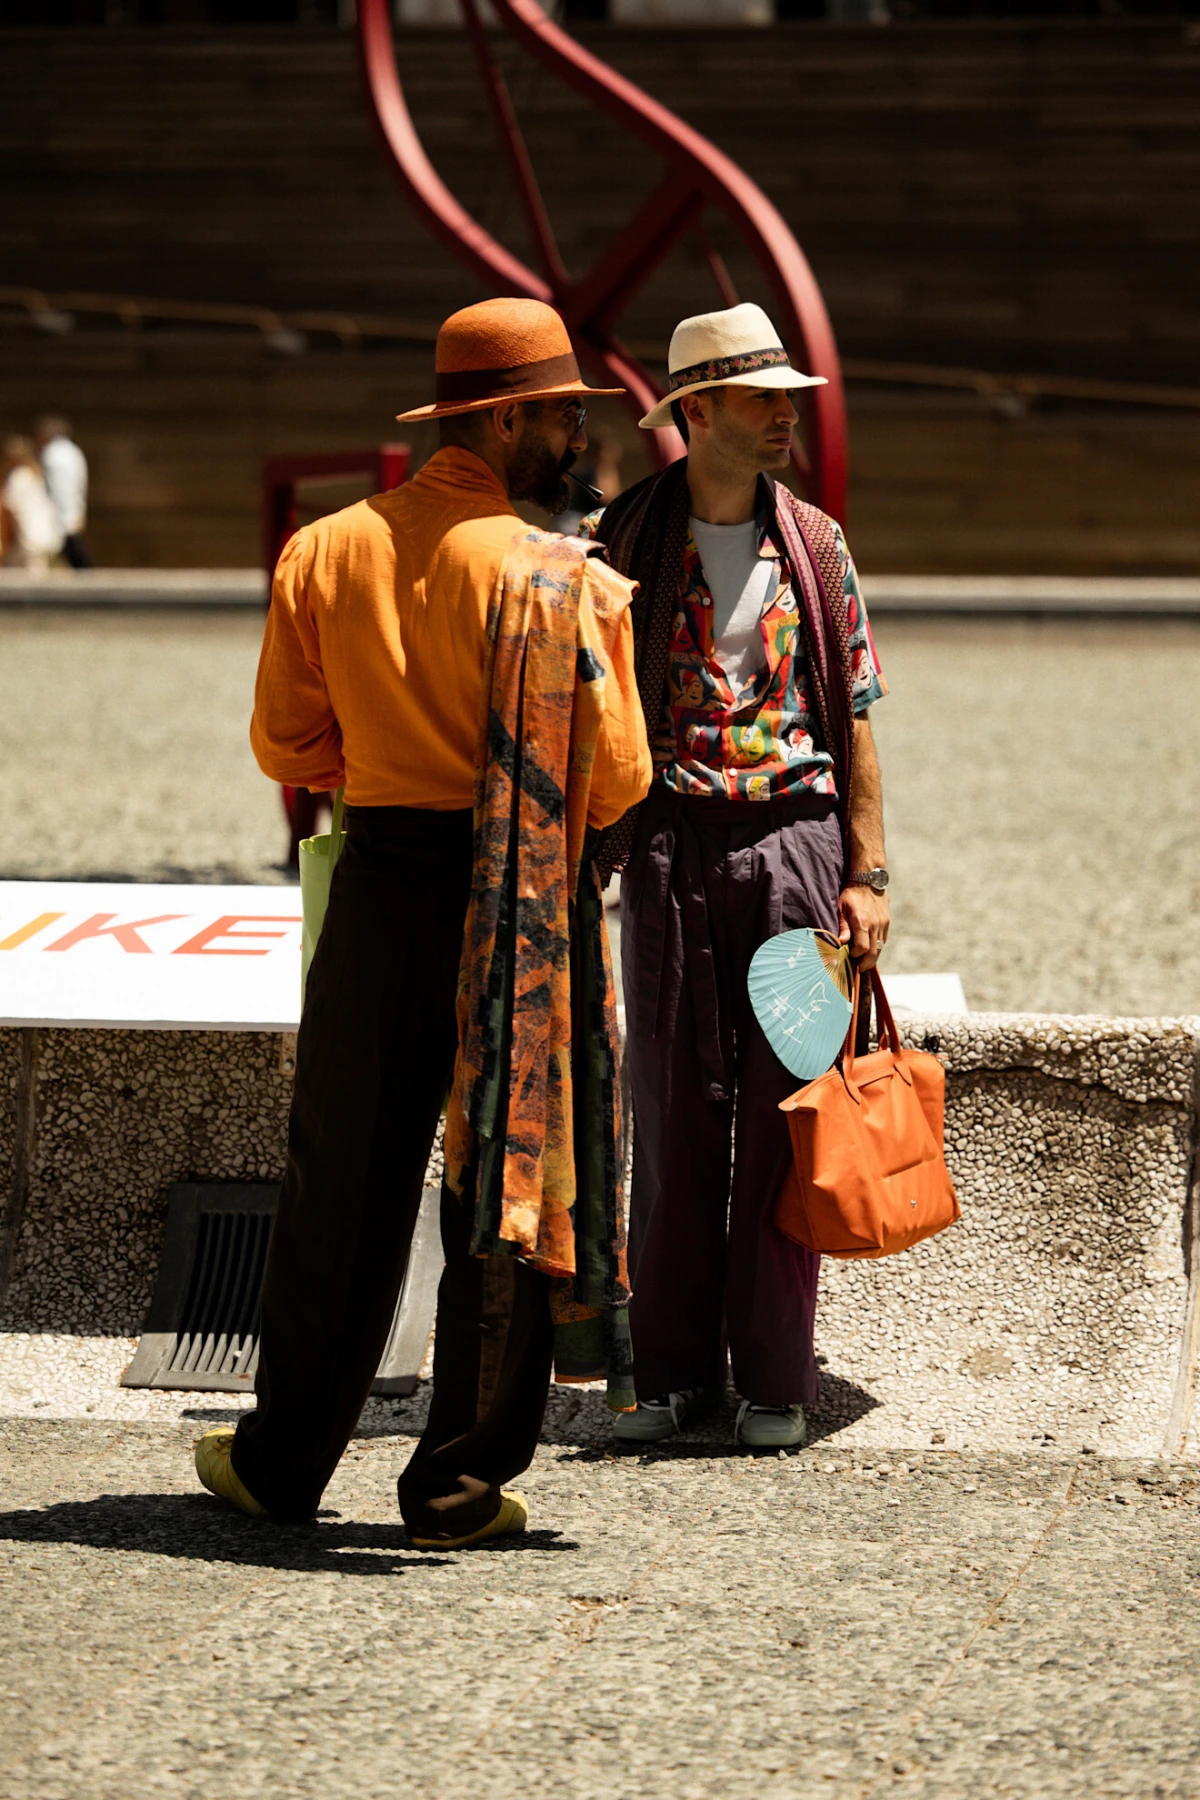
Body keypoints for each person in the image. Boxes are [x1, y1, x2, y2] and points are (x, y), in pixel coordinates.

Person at [192, 298, 651, 1547]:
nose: (576, 438)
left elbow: (286, 744)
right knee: (502, 1183)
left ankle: (281, 1461)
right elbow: (615, 782)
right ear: (506, 419)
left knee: (341, 1175)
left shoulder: (325, 550)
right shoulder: (563, 580)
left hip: (386, 878)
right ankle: (454, 1486)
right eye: (562, 415)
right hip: (522, 906)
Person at [582, 303, 890, 1451]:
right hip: (666, 847)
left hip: (799, 851)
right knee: (668, 1110)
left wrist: (870, 871)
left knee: (784, 1113)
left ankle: (772, 1378)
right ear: (696, 409)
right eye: (765, 399)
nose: (785, 420)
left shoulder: (816, 543)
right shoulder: (623, 539)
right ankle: (667, 1373)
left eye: (789, 400)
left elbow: (857, 718)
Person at [1, 436, 65, 570]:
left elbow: (9, 508)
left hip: (29, 536)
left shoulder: (19, 477)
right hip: (47, 533)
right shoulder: (36, 475)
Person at [35, 416, 90, 568]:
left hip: (61, 516)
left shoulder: (53, 454)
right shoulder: (72, 451)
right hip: (72, 511)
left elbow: (59, 489)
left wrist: (64, 518)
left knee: (72, 553)